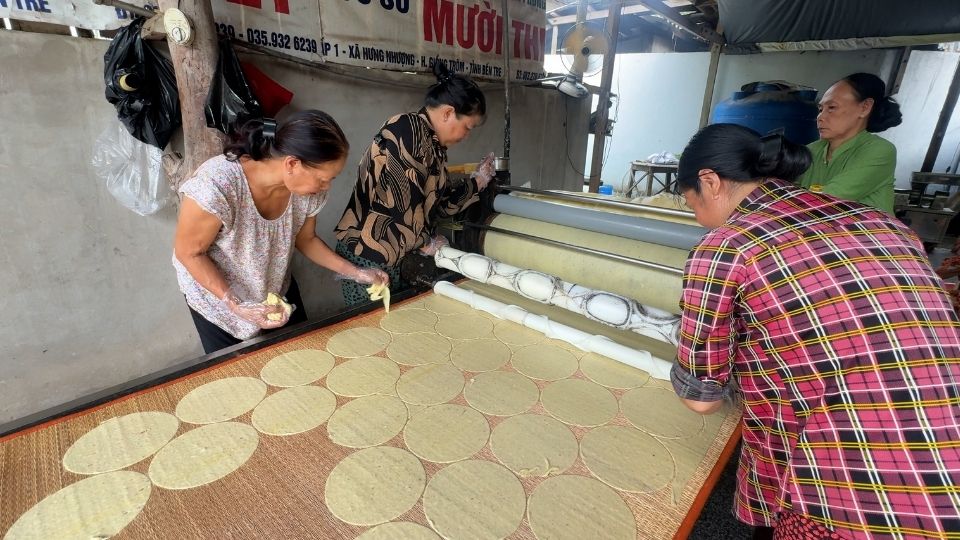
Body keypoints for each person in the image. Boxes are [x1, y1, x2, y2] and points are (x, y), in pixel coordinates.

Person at [672, 123, 960, 539]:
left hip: (854, 484)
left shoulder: (727, 246)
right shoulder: (882, 222)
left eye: (690, 204)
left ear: (710, 181)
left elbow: (701, 399)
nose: (697, 219)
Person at [173, 111, 388, 354]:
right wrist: (234, 303)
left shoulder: (308, 193)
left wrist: (356, 273)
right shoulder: (216, 186)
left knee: (299, 358)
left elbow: (306, 240)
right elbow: (189, 253)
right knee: (239, 377)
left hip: (273, 286)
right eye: (322, 179)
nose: (326, 187)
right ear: (292, 164)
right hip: (218, 303)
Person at [335, 62, 495, 305]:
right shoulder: (406, 129)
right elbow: (402, 203)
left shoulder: (434, 147)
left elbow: (440, 206)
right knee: (372, 332)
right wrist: (427, 242)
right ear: (448, 113)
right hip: (369, 257)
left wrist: (478, 182)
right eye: (467, 127)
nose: (466, 135)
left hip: (399, 258)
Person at [798, 72, 902, 213]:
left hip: (866, 233)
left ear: (865, 107)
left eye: (832, 107)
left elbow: (827, 200)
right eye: (820, 109)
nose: (820, 117)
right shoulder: (812, 150)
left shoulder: (879, 150)